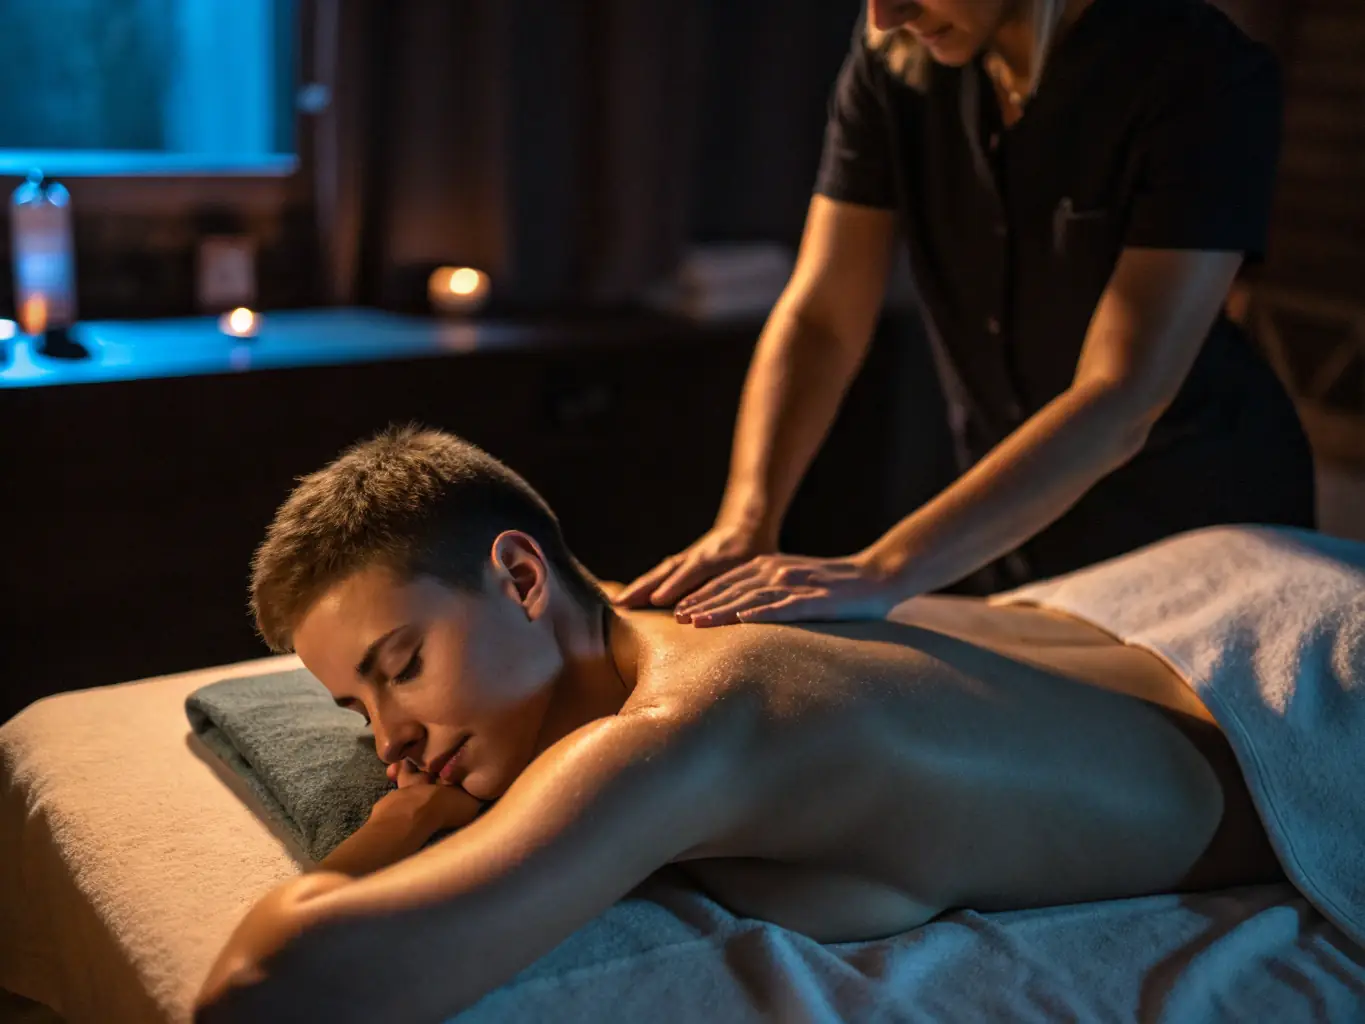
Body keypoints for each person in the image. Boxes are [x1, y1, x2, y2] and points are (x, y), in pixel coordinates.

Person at [195, 428, 1283, 1020]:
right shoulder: (637, 615)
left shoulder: (690, 725)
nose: (391, 741)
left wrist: (393, 830)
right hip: (1159, 625)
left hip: (1287, 693)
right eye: (356, 708)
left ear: (522, 574)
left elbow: (264, 992)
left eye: (403, 668)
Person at [616, 0, 1316, 627]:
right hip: (1006, 542)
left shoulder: (1198, 75)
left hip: (1201, 539)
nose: (884, 15)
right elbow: (823, 316)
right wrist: (748, 519)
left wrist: (885, 569)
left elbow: (1121, 394)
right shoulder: (894, 63)